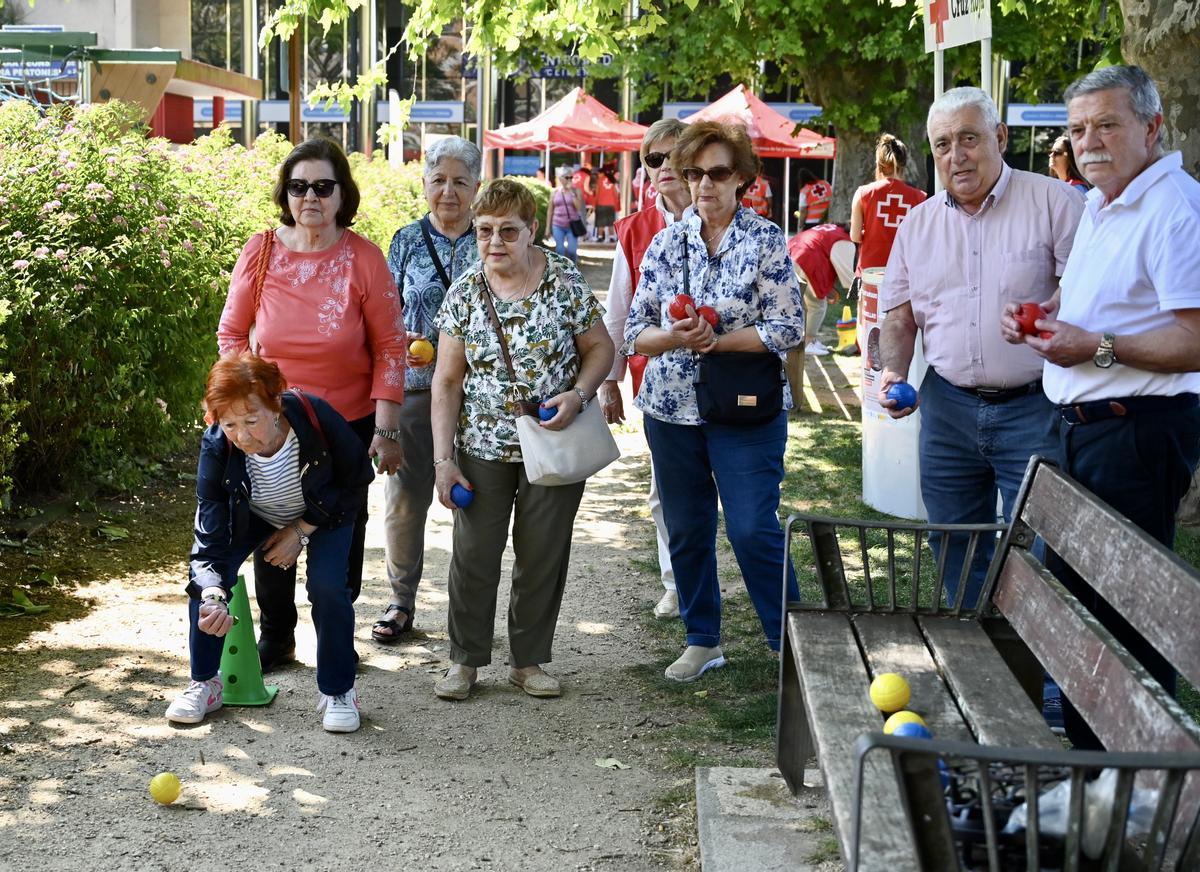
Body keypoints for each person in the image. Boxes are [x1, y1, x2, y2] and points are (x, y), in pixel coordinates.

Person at [1001, 65, 1200, 748]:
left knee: (1126, 625)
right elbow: (1103, 305)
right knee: (1083, 610)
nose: (1090, 140)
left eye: (1107, 124)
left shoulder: (1176, 207)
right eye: (1079, 128)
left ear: (1152, 126)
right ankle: (1097, 775)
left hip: (1134, 433)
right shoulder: (1100, 201)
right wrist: (1051, 317)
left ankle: (1137, 796)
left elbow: (1194, 340)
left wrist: (1095, 347)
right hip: (1082, 430)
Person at [877, 87, 1083, 608]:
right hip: (946, 406)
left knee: (1043, 544)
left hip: (1035, 406)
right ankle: (980, 651)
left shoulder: (1054, 201)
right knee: (954, 542)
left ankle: (1043, 675)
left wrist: (1055, 308)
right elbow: (899, 314)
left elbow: (1083, 294)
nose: (956, 155)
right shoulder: (918, 223)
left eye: (969, 138)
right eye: (942, 144)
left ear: (999, 137)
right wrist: (891, 372)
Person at [623, 120, 805, 682]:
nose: (704, 183)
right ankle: (703, 639)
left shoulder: (765, 239)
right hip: (670, 409)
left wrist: (716, 340)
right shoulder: (665, 242)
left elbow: (788, 324)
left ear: (742, 178)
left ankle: (793, 641)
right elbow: (634, 331)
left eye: (718, 172)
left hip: (744, 407)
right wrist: (678, 336)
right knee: (686, 526)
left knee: (752, 526)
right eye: (693, 172)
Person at [217, 137, 406, 673]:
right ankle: (277, 638)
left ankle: (336, 638)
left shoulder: (364, 258)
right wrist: (248, 399)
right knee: (269, 523)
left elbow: (391, 346)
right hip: (271, 425)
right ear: (286, 194)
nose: (311, 197)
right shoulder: (261, 252)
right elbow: (232, 333)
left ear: (342, 193)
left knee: (340, 530)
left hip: (345, 424)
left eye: (323, 187)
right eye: (299, 187)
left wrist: (387, 426)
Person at [430, 179, 614, 701]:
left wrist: (579, 394)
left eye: (508, 231)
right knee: (474, 554)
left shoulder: (563, 281)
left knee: (543, 554)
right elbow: (445, 381)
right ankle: (464, 661)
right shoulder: (464, 293)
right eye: (484, 230)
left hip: (553, 442)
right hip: (482, 446)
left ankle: (528, 661)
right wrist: (444, 461)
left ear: (532, 230)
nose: (495, 242)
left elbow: (600, 349)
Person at [167, 353, 375, 732]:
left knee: (328, 587)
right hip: (257, 514)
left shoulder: (313, 416)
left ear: (275, 404)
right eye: (229, 424)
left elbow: (358, 476)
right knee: (206, 584)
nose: (243, 436)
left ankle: (339, 690)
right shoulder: (217, 446)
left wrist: (301, 530)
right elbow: (209, 536)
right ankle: (205, 683)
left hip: (324, 513)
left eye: (251, 420)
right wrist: (214, 593)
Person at [376, 136, 481, 643]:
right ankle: (400, 602)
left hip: (483, 395)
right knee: (405, 500)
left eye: (460, 181)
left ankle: (469, 612)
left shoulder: (492, 237)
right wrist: (404, 342)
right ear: (424, 185)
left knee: (476, 501)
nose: (448, 191)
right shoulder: (405, 241)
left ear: (476, 187)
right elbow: (382, 321)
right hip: (417, 388)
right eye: (438, 180)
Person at [599, 118, 692, 620]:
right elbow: (617, 309)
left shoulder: (723, 216)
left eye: (675, 156)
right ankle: (676, 582)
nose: (665, 168)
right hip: (660, 381)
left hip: (725, 377)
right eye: (654, 160)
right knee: (666, 487)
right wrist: (610, 380)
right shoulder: (634, 229)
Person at [850, 134, 927, 275]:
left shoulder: (862, 193)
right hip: (905, 273)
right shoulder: (920, 198)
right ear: (903, 164)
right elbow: (922, 240)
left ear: (878, 164)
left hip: (870, 271)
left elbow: (855, 236)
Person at [786, 223, 854, 360]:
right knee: (817, 306)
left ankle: (806, 340)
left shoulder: (833, 228)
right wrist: (860, 290)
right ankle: (808, 342)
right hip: (807, 258)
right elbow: (845, 271)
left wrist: (829, 288)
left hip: (792, 251)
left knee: (805, 304)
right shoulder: (844, 239)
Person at [549, 166, 586, 264]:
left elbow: (578, 208)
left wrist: (571, 193)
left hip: (572, 226)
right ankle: (561, 270)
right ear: (560, 179)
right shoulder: (555, 192)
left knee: (572, 251)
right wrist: (547, 229)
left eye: (571, 177)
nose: (569, 180)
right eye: (567, 177)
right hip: (557, 225)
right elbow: (550, 210)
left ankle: (573, 269)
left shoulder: (576, 191)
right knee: (560, 250)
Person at [593, 164, 620, 243]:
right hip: (611, 204)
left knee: (600, 222)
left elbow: (597, 192)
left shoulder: (600, 180)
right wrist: (616, 205)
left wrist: (595, 203)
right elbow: (615, 194)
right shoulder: (612, 180)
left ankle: (600, 237)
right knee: (610, 222)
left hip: (601, 203)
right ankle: (611, 237)